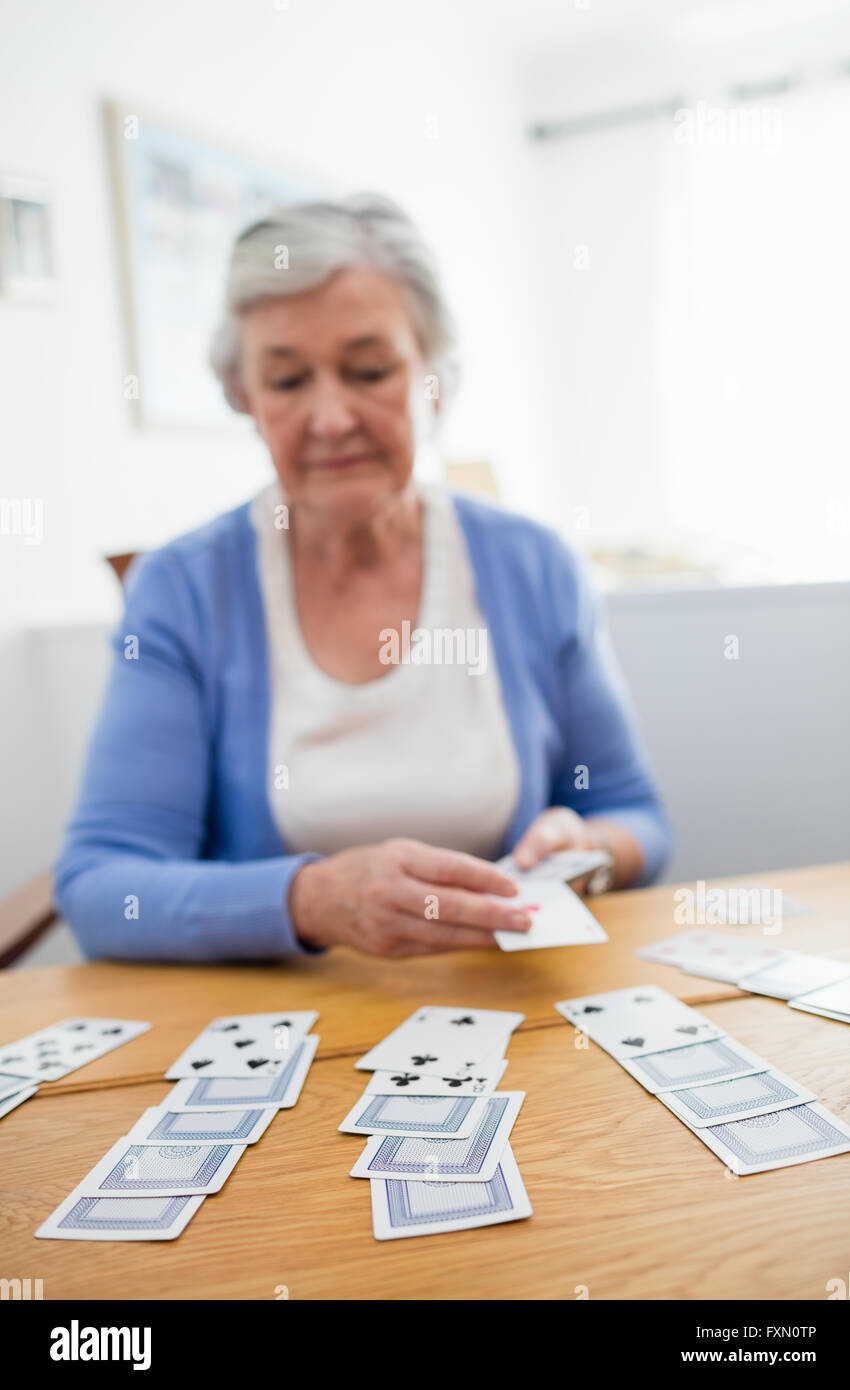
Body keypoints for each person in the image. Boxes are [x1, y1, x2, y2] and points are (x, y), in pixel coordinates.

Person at [54, 193, 670, 962]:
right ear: (244, 398)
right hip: (291, 1022)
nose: (331, 418)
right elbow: (102, 886)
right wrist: (310, 900)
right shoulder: (182, 587)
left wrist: (589, 846)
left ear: (432, 378)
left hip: (513, 1002)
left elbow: (633, 813)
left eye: (369, 370)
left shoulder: (534, 565)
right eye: (286, 382)